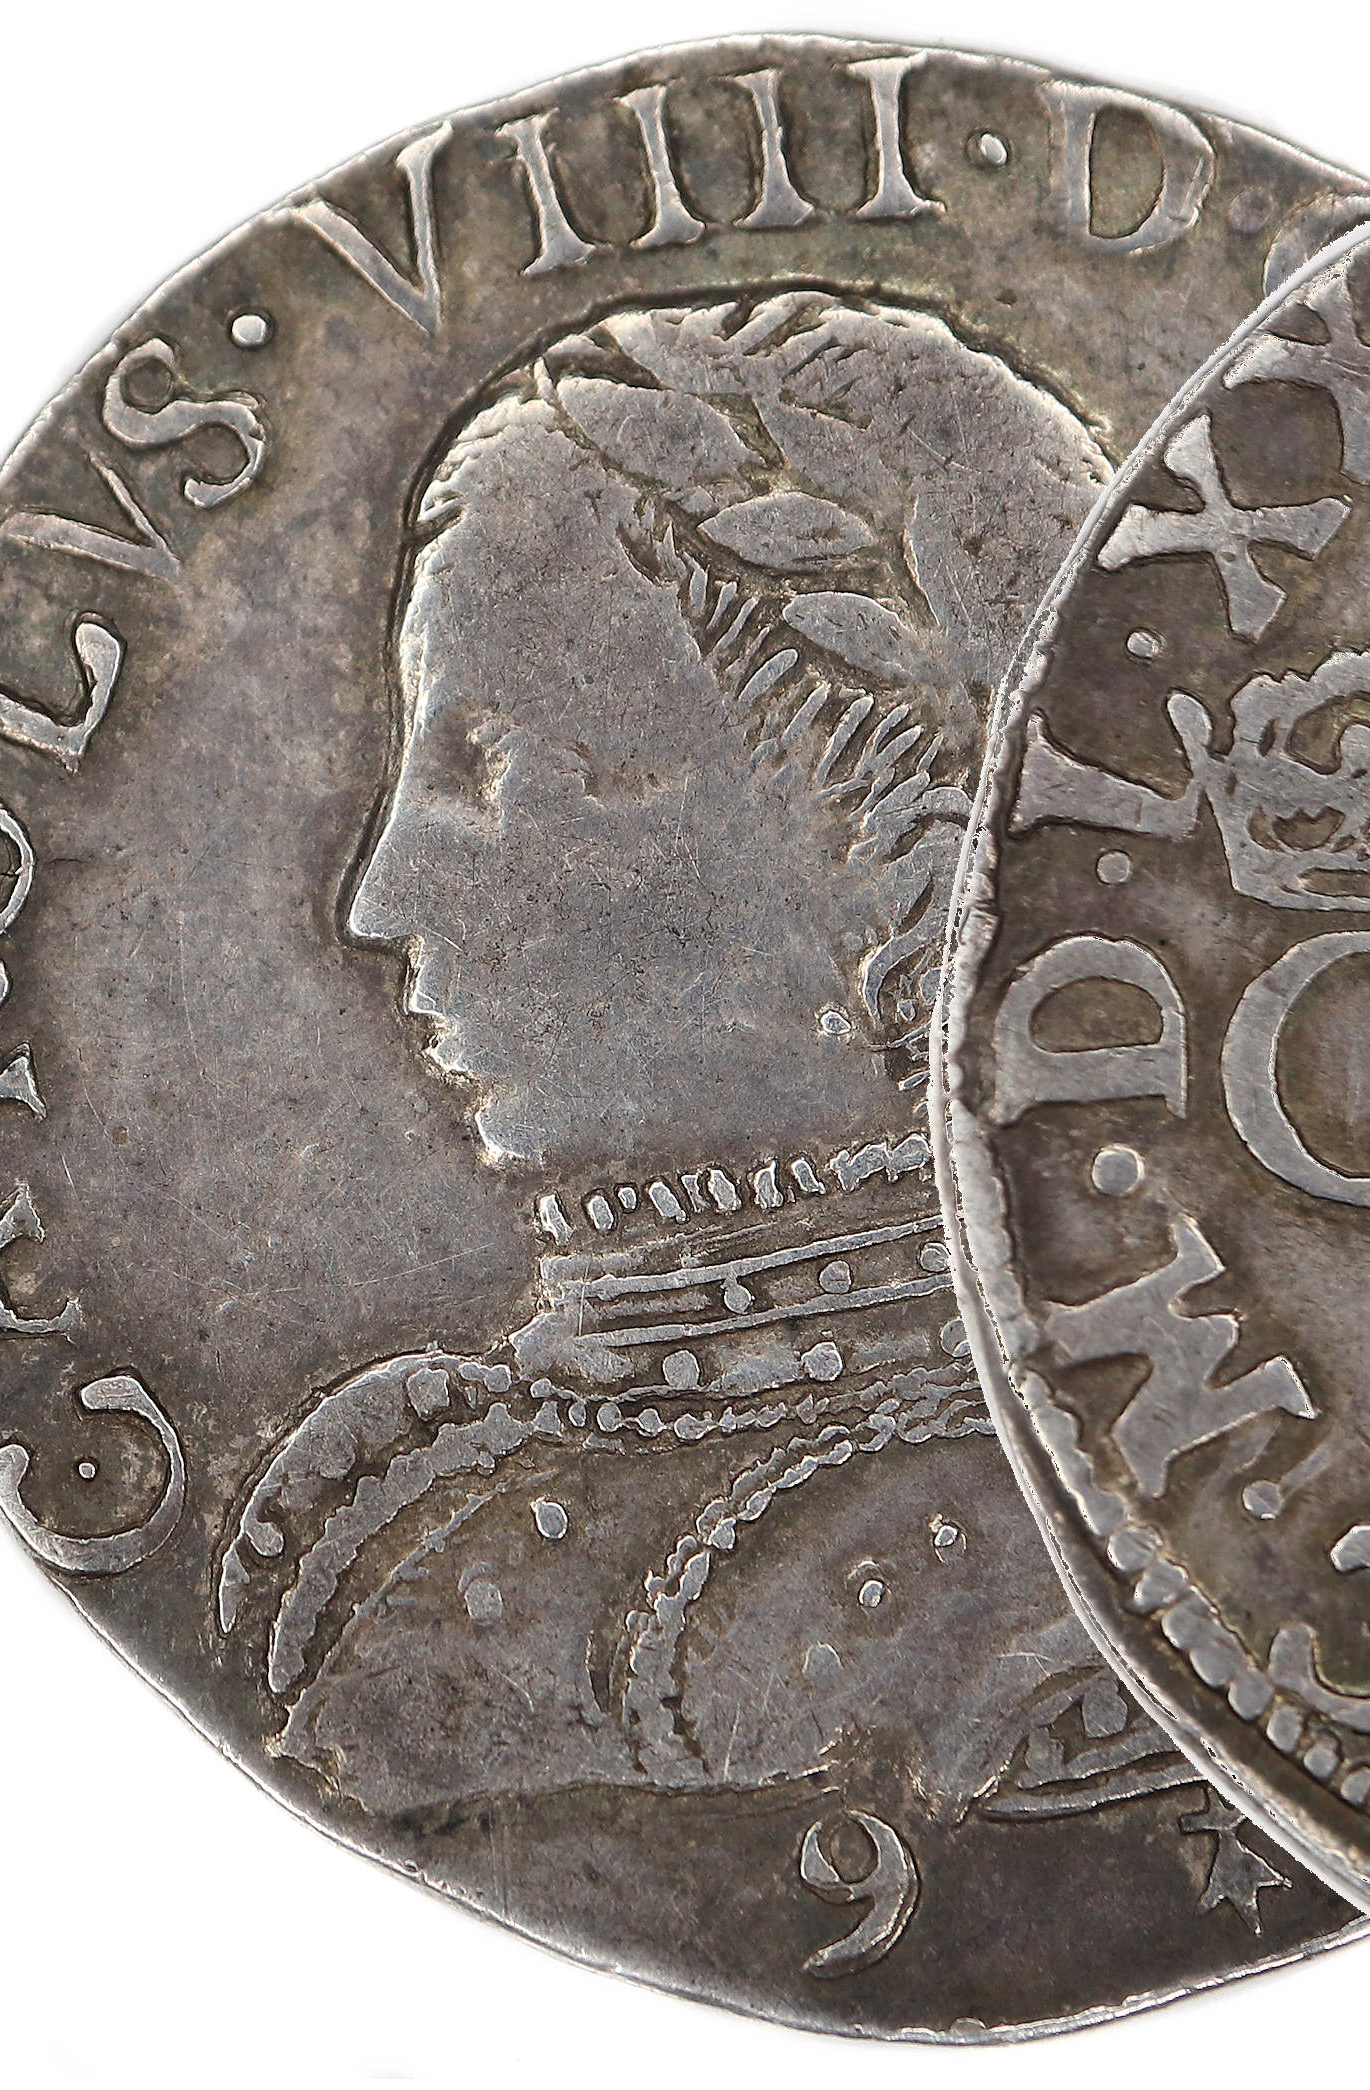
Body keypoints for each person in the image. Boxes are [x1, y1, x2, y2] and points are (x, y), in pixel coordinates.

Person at [214, 296, 1222, 1854]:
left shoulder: (1033, 1575)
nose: (383, 897)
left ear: (897, 865)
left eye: (497, 766)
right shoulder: (393, 1483)